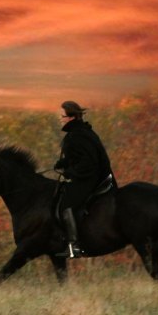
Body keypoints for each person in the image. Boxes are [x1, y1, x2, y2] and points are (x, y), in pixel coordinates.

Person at [54, 100, 114, 258]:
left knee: (66, 204)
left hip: (91, 178)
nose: (60, 118)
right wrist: (63, 163)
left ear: (71, 118)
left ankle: (74, 246)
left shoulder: (78, 135)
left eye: (62, 116)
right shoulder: (80, 132)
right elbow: (79, 156)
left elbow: (88, 162)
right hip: (91, 176)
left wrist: (70, 172)